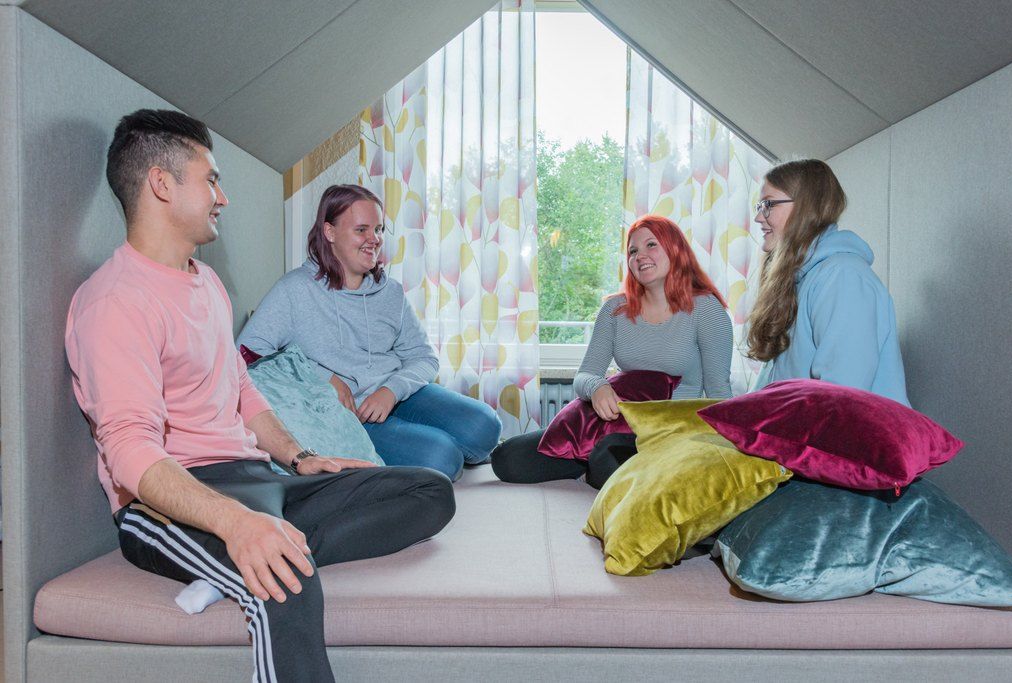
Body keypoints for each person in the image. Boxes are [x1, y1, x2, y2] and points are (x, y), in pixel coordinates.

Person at [65, 110, 455, 682]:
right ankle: (250, 556)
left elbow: (240, 386)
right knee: (286, 577)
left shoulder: (206, 282)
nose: (222, 197)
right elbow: (129, 450)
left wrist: (299, 458)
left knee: (429, 491)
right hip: (170, 499)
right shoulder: (115, 301)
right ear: (162, 184)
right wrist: (236, 525)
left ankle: (237, 562)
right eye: (211, 180)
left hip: (257, 477)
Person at [237, 184, 502, 481]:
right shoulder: (294, 289)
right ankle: (449, 451)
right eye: (361, 230)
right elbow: (247, 354)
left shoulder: (390, 292)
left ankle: (463, 447)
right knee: (441, 458)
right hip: (351, 415)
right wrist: (324, 378)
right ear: (330, 232)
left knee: (486, 425)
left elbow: (424, 357)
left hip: (398, 395)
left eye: (378, 229)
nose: (374, 239)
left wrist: (391, 391)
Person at [492, 214, 734, 487]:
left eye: (651, 245)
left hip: (669, 431)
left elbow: (719, 393)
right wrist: (597, 388)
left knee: (605, 457)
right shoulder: (614, 310)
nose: (640, 256)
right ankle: (589, 460)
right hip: (609, 425)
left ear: (675, 249)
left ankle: (599, 464)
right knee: (506, 459)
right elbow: (584, 375)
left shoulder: (706, 309)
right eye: (633, 251)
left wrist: (726, 453)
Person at [747, 159, 909, 405]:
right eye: (759, 206)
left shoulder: (843, 277)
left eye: (768, 204)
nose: (759, 217)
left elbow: (840, 398)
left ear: (806, 206)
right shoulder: (802, 279)